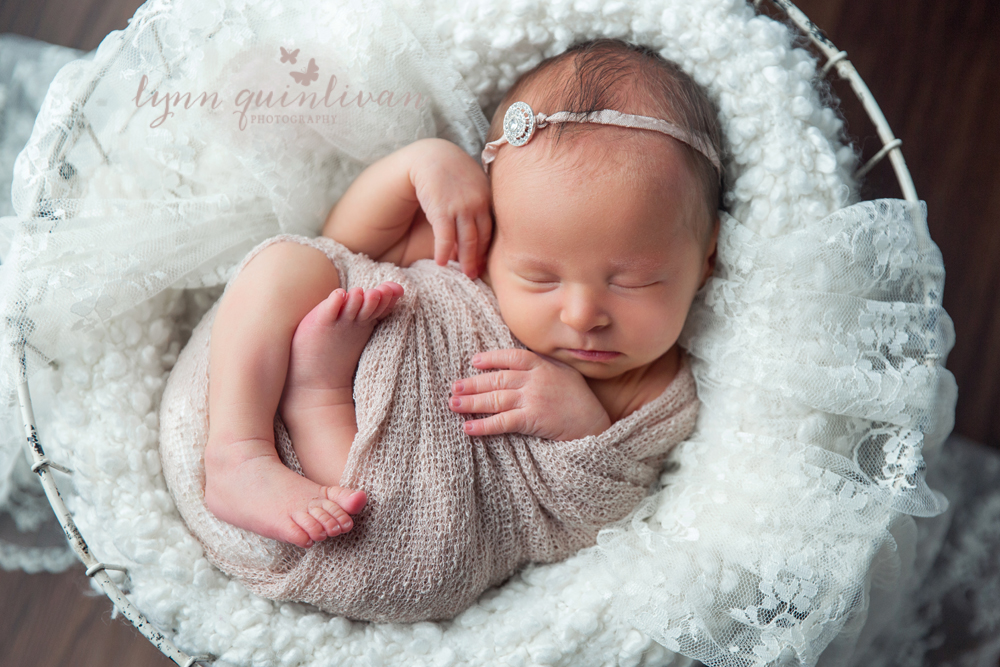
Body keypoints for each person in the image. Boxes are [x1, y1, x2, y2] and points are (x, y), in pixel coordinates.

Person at [201, 38, 723, 551]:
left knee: (405, 528)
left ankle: (315, 394)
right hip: (274, 430)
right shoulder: (481, 252)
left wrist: (583, 427)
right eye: (540, 277)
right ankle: (236, 452)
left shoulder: (656, 387)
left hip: (386, 516)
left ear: (706, 259)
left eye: (633, 282)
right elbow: (341, 246)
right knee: (290, 264)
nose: (582, 314)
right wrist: (417, 166)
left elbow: (598, 519)